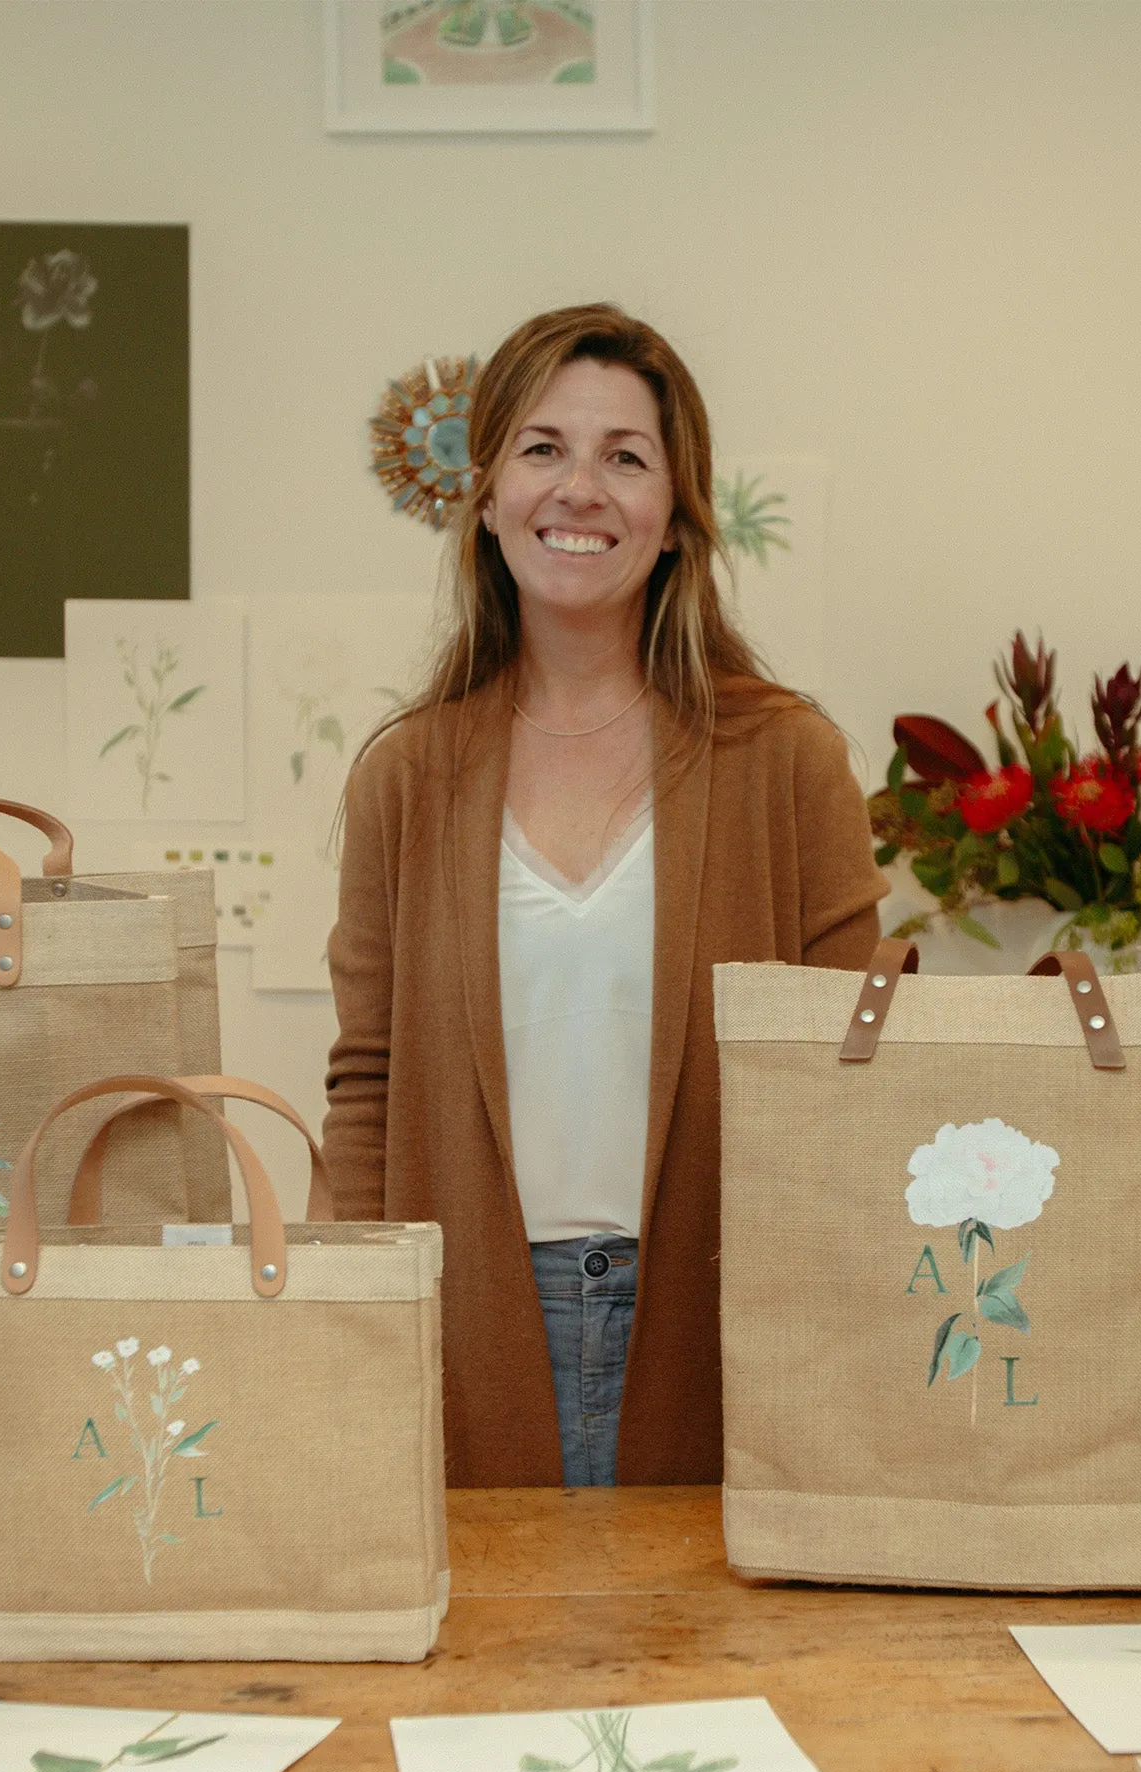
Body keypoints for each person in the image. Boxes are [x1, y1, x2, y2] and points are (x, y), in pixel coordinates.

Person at [322, 303, 886, 1489]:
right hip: (465, 1322)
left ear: (677, 520)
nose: (578, 488)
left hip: (726, 1321)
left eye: (624, 457)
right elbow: (365, 1083)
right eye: (541, 449)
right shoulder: (407, 776)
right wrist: (353, 1314)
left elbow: (853, 1080)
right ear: (484, 496)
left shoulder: (786, 761)